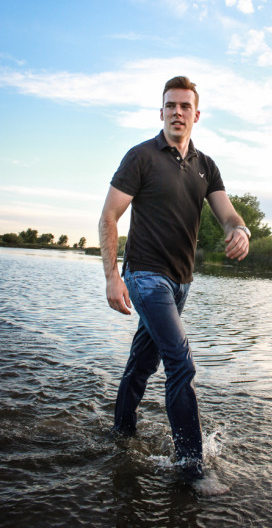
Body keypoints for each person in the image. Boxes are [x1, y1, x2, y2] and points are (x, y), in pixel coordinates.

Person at [99, 75, 250, 480]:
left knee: (142, 364)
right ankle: (191, 466)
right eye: (170, 105)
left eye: (185, 106)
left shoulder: (206, 166)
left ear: (196, 115)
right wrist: (114, 277)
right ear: (161, 111)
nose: (177, 112)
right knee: (181, 364)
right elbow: (110, 215)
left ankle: (121, 431)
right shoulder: (141, 157)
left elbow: (227, 215)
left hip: (182, 281)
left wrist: (240, 231)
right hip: (145, 277)